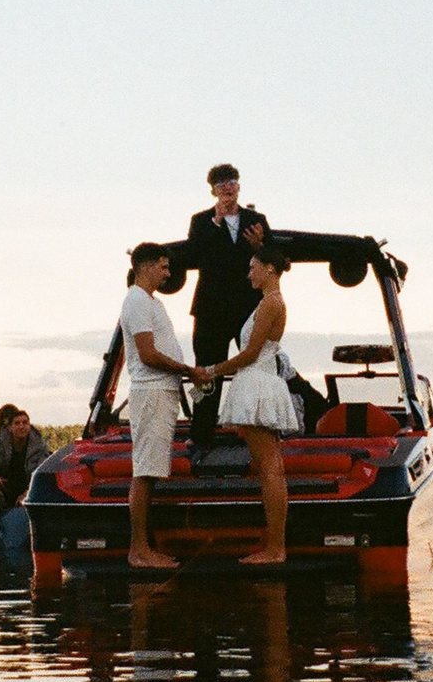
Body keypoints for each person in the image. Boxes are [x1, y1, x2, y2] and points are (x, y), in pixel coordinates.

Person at [120, 241, 213, 568]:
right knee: (145, 471)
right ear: (145, 266)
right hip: (151, 393)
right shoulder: (136, 302)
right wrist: (188, 370)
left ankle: (143, 548)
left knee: (151, 469)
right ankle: (139, 550)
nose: (168, 273)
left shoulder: (149, 302)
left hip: (162, 392)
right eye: (163, 266)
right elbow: (147, 354)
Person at [209, 245, 303, 565]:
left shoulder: (270, 304)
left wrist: (211, 370)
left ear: (269, 269)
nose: (249, 273)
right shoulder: (269, 303)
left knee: (270, 469)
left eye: (253, 267)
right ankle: (275, 546)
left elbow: (250, 354)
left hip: (257, 383)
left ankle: (275, 549)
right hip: (259, 381)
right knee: (269, 467)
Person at [185, 164, 270, 450]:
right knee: (206, 372)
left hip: (247, 307)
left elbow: (275, 261)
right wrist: (217, 224)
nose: (227, 187)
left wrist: (260, 246)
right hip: (211, 309)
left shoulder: (256, 219)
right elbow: (194, 254)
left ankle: (263, 427)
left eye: (232, 181)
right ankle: (201, 434)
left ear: (239, 186)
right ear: (213, 190)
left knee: (259, 364)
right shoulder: (201, 221)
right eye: (221, 184)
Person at [0, 404, 49, 518]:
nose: (21, 426)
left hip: (28, 489)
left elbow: (42, 472)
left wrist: (27, 493)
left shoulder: (39, 445)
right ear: (10, 427)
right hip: (4, 487)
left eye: (25, 423)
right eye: (17, 423)